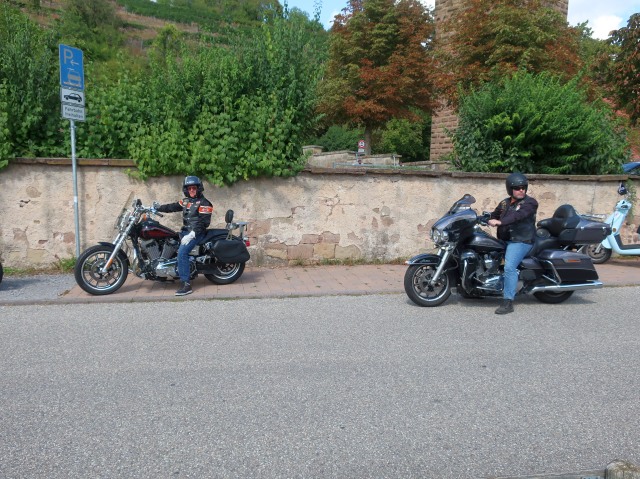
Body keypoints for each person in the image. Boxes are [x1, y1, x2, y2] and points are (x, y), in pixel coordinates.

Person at [487, 172, 538, 315]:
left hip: (521, 240)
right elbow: (494, 215)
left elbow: (518, 216)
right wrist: (482, 218)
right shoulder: (505, 203)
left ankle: (508, 301)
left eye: (523, 187)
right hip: (506, 240)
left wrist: (500, 222)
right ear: (510, 189)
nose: (521, 190)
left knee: (509, 267)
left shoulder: (530, 203)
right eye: (517, 188)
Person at [156, 176, 213, 296]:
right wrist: (157, 208)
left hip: (197, 233)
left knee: (182, 253)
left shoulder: (204, 203)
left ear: (199, 188)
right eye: (189, 188)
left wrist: (192, 234)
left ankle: (186, 284)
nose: (191, 190)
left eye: (194, 188)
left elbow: (204, 222)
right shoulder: (186, 201)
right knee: (169, 242)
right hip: (186, 231)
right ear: (186, 190)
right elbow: (172, 207)